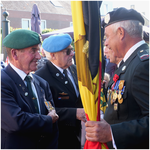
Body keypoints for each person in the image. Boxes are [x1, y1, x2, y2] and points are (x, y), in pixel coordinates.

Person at [85, 7, 149, 149]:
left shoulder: (143, 65)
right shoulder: (130, 62)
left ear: (121, 33)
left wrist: (112, 133)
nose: (105, 43)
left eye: (106, 37)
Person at [1, 29, 59, 149]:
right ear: (14, 54)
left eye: (38, 50)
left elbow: (54, 122)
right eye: (33, 51)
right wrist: (48, 120)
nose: (39, 56)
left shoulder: (42, 83)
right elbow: (16, 122)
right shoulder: (3, 82)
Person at [35, 33, 86, 149]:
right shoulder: (41, 77)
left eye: (72, 50)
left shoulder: (73, 69)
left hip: (75, 134)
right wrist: (74, 113)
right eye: (67, 52)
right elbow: (44, 110)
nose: (72, 54)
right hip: (57, 138)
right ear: (53, 55)